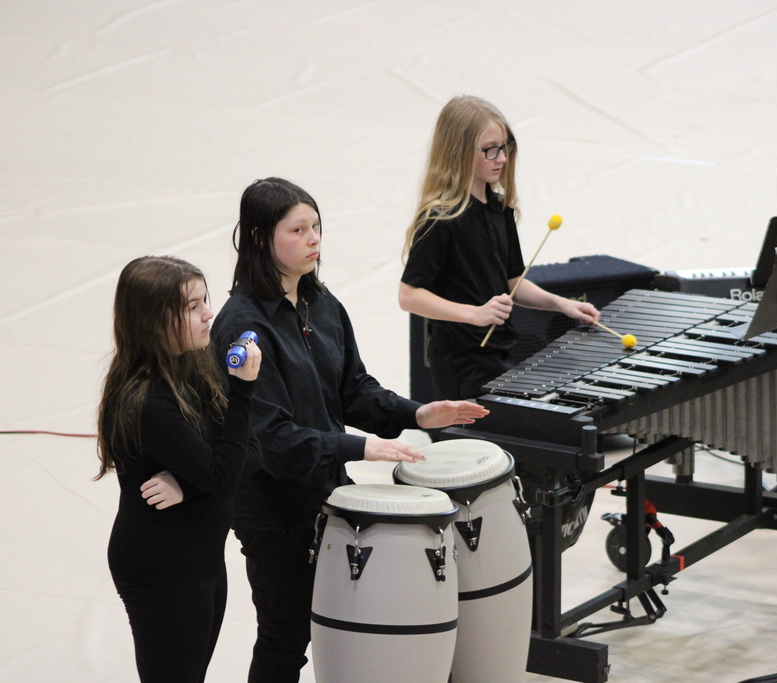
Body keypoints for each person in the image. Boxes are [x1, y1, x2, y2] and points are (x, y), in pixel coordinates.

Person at [212, 177, 488, 683]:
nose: (315, 239)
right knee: (285, 635)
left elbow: (354, 389)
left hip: (324, 491)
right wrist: (363, 446)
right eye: (298, 229)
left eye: (317, 226)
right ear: (258, 238)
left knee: (360, 618)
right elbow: (273, 439)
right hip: (272, 510)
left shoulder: (322, 304)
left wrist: (418, 414)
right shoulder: (241, 327)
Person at [97, 256, 263, 683]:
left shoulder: (194, 367)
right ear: (153, 321)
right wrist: (243, 390)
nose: (210, 313)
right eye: (192, 307)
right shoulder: (149, 401)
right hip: (162, 567)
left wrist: (190, 484)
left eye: (204, 300)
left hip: (202, 556)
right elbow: (226, 475)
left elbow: (254, 451)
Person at [399, 95, 600, 400]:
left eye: (504, 147)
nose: (502, 159)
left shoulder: (499, 208)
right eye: (490, 150)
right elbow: (409, 296)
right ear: (459, 152)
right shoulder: (440, 218)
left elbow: (512, 282)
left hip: (500, 353)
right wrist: (474, 314)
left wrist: (562, 304)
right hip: (461, 364)